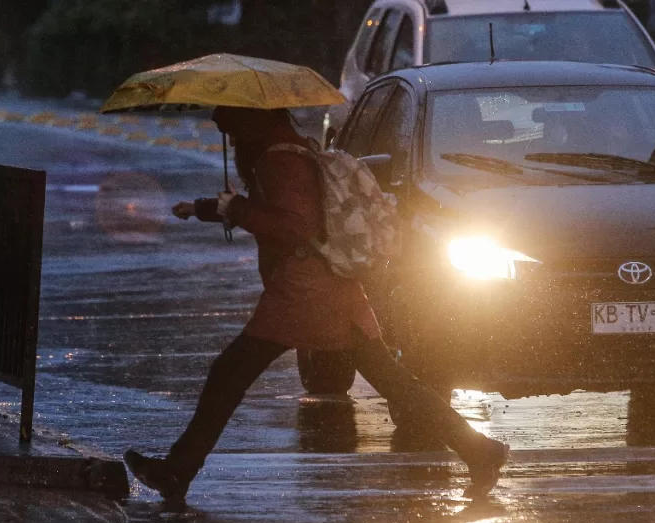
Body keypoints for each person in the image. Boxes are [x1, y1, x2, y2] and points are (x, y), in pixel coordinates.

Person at [124, 106, 509, 501]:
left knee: (230, 373)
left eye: (233, 126)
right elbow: (280, 211)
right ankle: (481, 452)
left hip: (306, 290)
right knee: (393, 382)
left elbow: (296, 225)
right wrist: (206, 208)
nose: (230, 136)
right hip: (329, 287)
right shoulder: (291, 150)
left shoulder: (280, 160)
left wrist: (235, 209)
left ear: (252, 121)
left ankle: (178, 470)